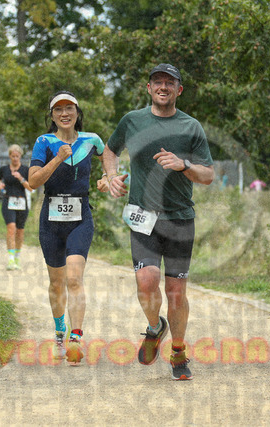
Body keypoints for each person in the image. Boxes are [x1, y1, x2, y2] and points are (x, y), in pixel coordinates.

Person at [103, 63, 214, 380]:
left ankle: (178, 354)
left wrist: (183, 165)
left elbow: (207, 175)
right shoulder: (132, 120)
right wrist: (111, 176)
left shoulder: (191, 126)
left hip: (180, 219)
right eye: (157, 82)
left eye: (169, 82)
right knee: (146, 281)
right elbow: (109, 151)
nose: (163, 87)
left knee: (176, 292)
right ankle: (155, 328)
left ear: (179, 90)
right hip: (143, 217)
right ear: (148, 88)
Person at [28, 90, 109, 365]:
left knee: (74, 279)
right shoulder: (44, 142)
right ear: (52, 116)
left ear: (77, 112)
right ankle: (60, 332)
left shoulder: (91, 140)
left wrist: (107, 177)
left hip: (80, 218)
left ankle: (76, 338)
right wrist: (58, 158)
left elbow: (109, 157)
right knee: (56, 283)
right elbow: (33, 182)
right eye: (58, 109)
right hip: (51, 222)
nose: (64, 113)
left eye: (69, 108)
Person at [0, 145, 33, 271]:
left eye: (17, 156)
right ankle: (11, 259)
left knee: (20, 231)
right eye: (13, 156)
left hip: (22, 202)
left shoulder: (25, 170)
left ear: (20, 156)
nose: (15, 158)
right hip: (8, 201)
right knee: (11, 228)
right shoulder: (4, 169)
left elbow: (30, 188)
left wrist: (21, 178)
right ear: (10, 156)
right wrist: (0, 184)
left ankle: (17, 257)